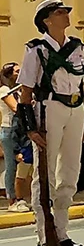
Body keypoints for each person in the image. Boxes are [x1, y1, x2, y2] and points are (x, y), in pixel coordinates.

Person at [16, 0, 84, 246]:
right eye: (59, 12)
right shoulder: (36, 50)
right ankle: (44, 234)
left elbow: (82, 85)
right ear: (47, 20)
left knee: (70, 171)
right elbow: (25, 92)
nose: (66, 15)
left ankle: (62, 230)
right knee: (44, 174)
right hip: (48, 109)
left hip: (75, 109)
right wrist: (30, 128)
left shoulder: (78, 47)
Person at [1, 63, 29, 212]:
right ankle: (12, 200)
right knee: (11, 165)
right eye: (17, 71)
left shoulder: (18, 90)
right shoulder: (5, 90)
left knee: (23, 163)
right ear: (10, 74)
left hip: (20, 129)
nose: (20, 73)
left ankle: (20, 197)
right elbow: (15, 108)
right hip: (9, 129)